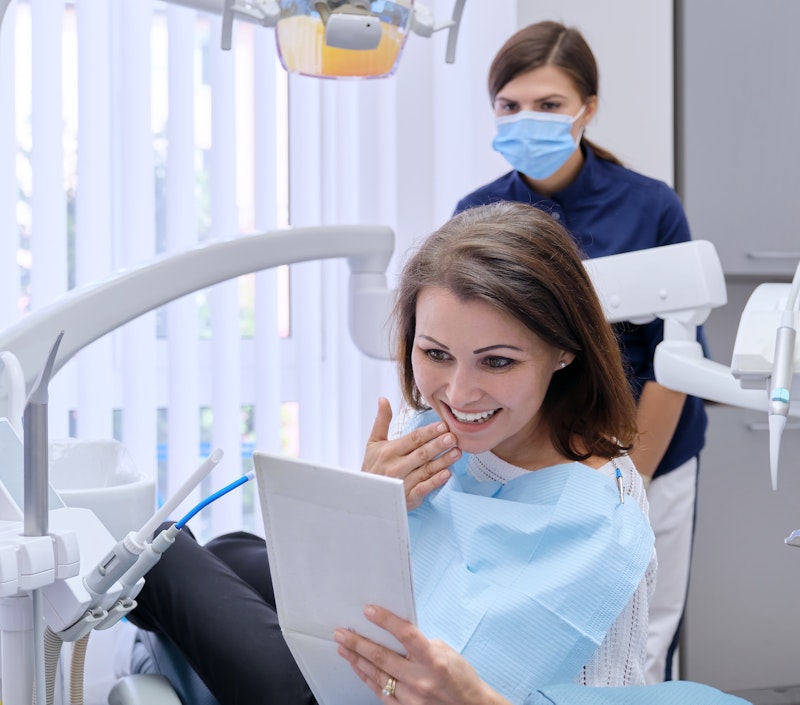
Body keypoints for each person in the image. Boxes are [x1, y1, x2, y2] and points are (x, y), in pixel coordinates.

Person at [126, 202, 656, 705]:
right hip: (365, 643)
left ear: (564, 350)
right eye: (435, 354)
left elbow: (609, 685)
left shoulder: (606, 512)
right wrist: (368, 504)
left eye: (497, 362)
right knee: (229, 549)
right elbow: (355, 579)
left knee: (158, 552)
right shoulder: (426, 424)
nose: (458, 393)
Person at [452, 20, 707, 683]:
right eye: (509, 106)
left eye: (548, 105)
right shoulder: (477, 215)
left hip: (646, 451)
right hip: (526, 457)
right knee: (531, 639)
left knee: (640, 641)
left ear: (587, 110)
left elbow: (673, 362)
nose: (525, 120)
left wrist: (629, 481)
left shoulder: (649, 207)